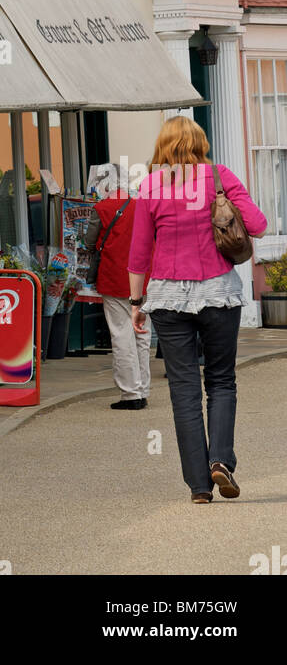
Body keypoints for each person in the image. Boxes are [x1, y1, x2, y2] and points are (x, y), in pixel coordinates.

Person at [127, 117, 267, 504]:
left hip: (168, 298)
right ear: (200, 143)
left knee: (183, 390)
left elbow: (139, 252)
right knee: (221, 380)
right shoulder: (219, 177)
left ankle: (199, 486)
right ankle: (220, 459)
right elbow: (257, 224)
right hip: (218, 291)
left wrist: (137, 303)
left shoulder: (151, 185)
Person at [84, 171, 151, 410]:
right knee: (142, 335)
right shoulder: (141, 206)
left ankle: (130, 394)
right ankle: (142, 389)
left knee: (121, 335)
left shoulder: (101, 209)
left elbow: (90, 243)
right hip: (142, 278)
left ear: (104, 187)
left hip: (114, 278)